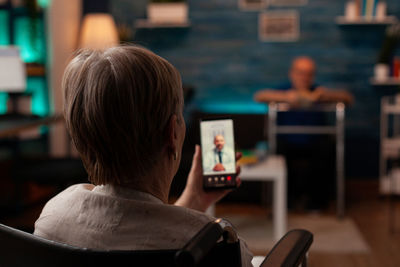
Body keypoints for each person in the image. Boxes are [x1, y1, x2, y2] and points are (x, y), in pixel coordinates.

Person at [33, 46, 253, 266]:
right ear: (172, 133)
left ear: (82, 134)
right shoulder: (216, 242)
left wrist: (194, 198)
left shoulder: (54, 217)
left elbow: (134, 228)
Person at [254, 56, 353, 210]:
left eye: (309, 73)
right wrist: (286, 98)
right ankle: (284, 203)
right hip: (286, 142)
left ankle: (317, 204)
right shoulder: (283, 89)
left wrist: (325, 96)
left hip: (315, 142)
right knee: (278, 151)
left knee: (327, 149)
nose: (304, 77)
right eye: (301, 73)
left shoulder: (318, 91)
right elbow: (260, 96)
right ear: (291, 73)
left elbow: (347, 98)